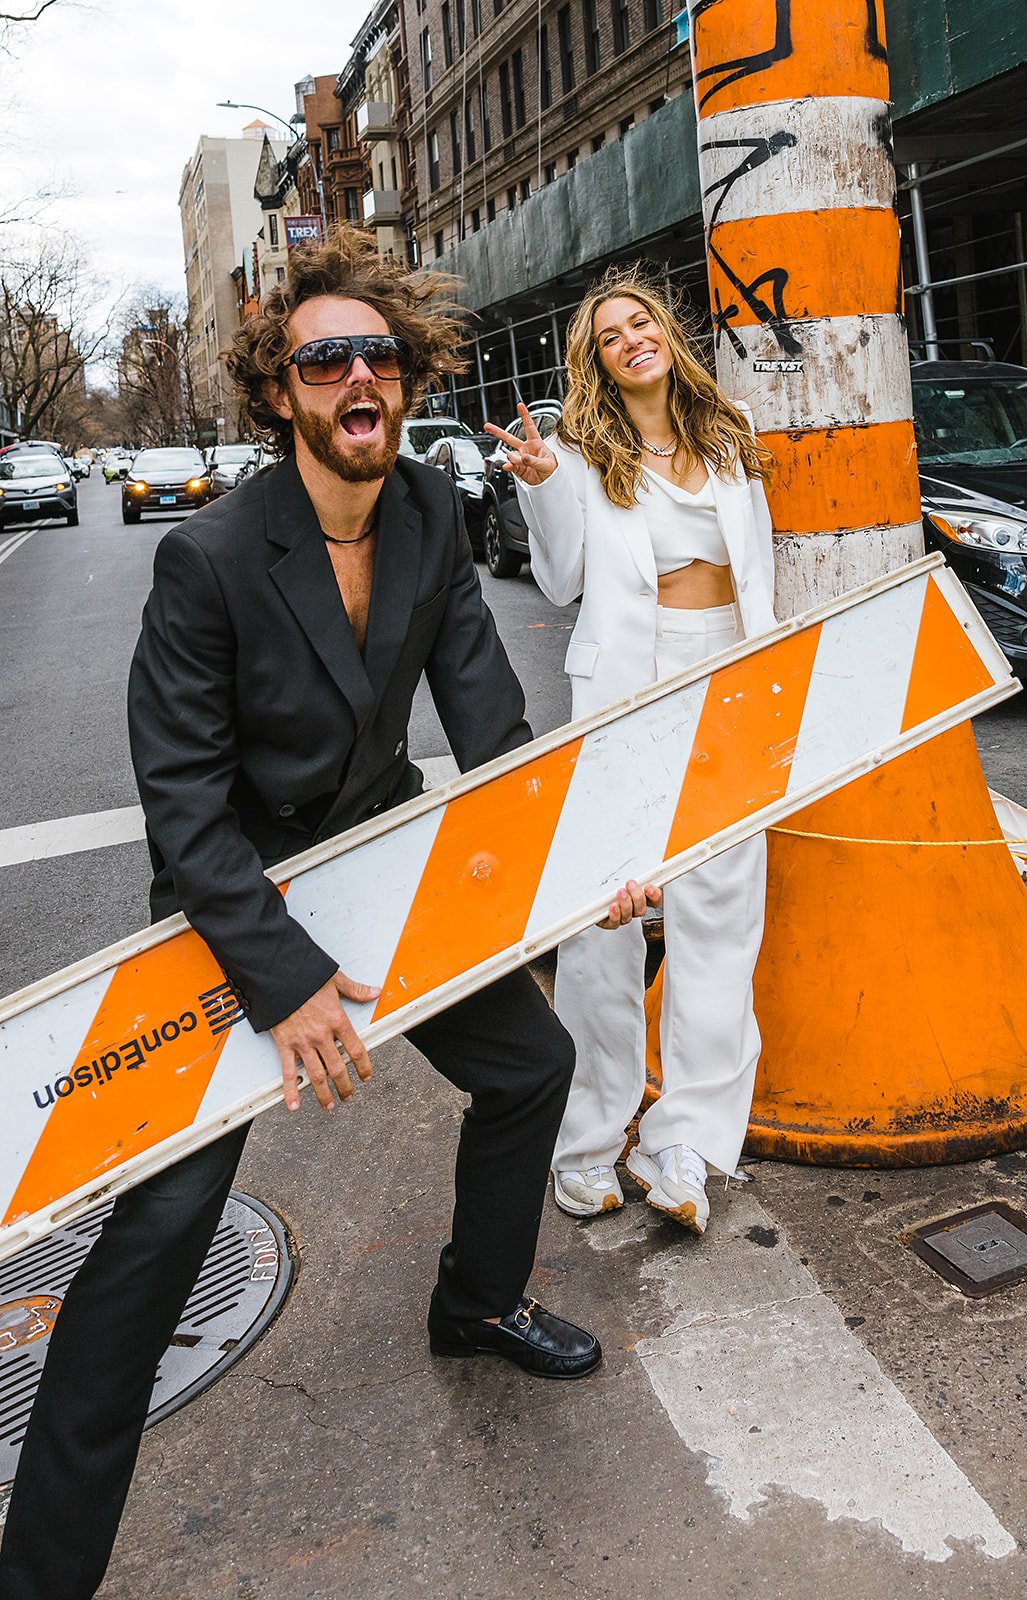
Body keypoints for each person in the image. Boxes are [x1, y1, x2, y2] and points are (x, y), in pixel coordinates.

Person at [0, 228, 603, 1600]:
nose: (357, 377)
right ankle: (41, 1570)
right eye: (325, 359)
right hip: (236, 899)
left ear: (405, 376)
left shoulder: (430, 514)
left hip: (377, 851)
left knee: (529, 1065)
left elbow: (495, 739)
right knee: (161, 1229)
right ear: (281, 393)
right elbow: (182, 807)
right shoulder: (209, 558)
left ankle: (475, 1304)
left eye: (376, 354)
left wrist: (577, 867)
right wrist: (283, 980)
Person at [487, 267, 777, 1238]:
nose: (629, 339)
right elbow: (562, 579)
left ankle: (681, 1146)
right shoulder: (577, 454)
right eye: (609, 336)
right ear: (598, 363)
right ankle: (584, 1144)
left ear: (666, 333)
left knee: (719, 918)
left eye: (639, 322)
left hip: (728, 685)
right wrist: (541, 491)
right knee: (603, 921)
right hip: (627, 690)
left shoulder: (727, 432)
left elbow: (758, 574)